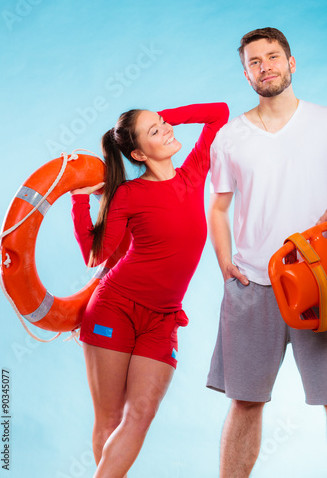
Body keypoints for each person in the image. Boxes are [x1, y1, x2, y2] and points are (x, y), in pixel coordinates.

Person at [70, 102, 229, 477]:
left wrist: (164, 114)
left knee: (140, 414)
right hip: (115, 307)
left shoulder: (193, 172)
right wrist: (79, 201)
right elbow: (97, 255)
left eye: (164, 124)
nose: (168, 130)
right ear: (139, 153)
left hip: (163, 319)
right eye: (156, 131)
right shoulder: (127, 194)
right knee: (109, 418)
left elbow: (218, 113)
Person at [206, 27, 327, 477]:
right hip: (254, 284)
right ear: (245, 74)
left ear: (291, 63)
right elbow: (218, 208)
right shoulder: (230, 137)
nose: (266, 67)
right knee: (245, 400)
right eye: (255, 62)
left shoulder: (323, 121)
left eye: (273, 57)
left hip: (320, 280)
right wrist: (224, 262)